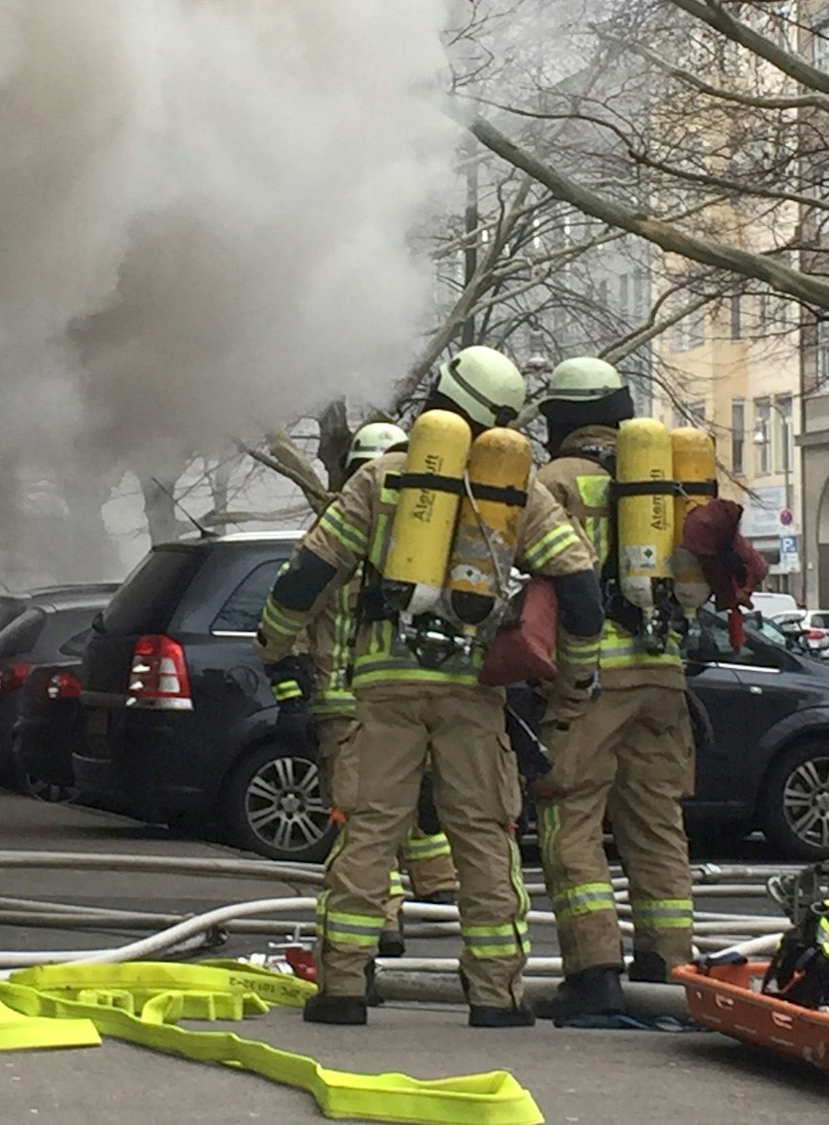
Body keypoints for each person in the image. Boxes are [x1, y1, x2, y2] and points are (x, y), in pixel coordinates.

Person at [256, 346, 604, 1027]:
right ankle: (496, 996)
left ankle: (344, 988)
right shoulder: (518, 491)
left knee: (368, 831)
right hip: (473, 691)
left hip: (383, 686)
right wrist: (575, 682)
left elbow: (307, 574)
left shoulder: (382, 477)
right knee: (483, 835)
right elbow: (581, 589)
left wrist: (275, 649)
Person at [528, 356, 699, 1021]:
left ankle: (595, 974)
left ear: (560, 421)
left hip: (591, 680)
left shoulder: (555, 481)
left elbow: (529, 578)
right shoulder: (661, 479)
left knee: (570, 816)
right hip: (664, 676)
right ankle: (669, 975)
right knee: (657, 825)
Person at [301, 420, 457, 959]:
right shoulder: (414, 540)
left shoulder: (336, 532)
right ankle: (437, 884)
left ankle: (382, 917)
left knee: (363, 814)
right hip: (405, 691)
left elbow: (297, 601)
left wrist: (285, 679)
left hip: (344, 699)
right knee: (412, 797)